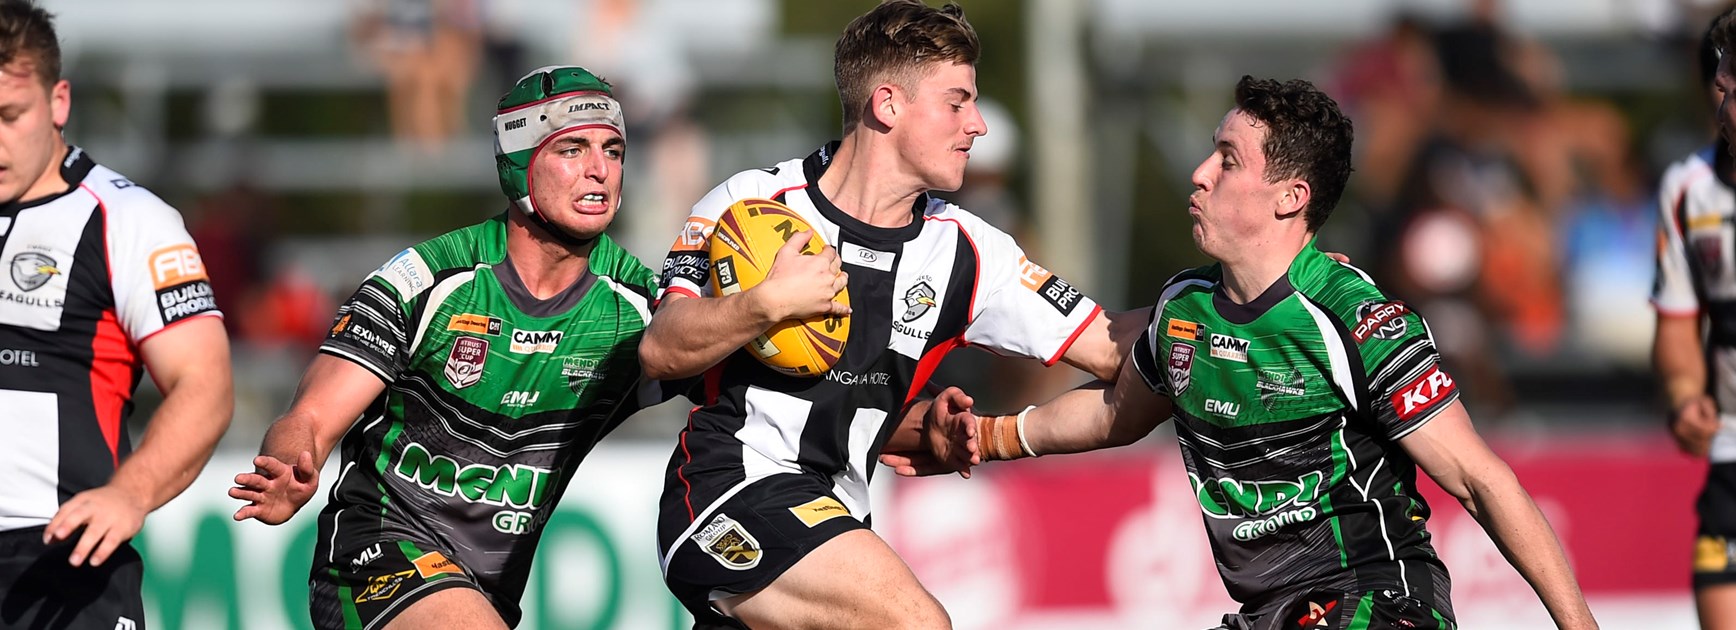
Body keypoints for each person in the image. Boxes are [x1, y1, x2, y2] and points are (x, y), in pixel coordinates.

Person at [898, 76, 1599, 630]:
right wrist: (987, 436)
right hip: (1269, 613)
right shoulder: (1184, 309)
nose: (1200, 173)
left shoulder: (1354, 318)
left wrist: (1578, 624)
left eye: (1228, 160)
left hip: (1375, 602)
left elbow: (1481, 481)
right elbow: (1117, 412)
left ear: (1290, 198)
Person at [637, 2, 1131, 628]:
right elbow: (661, 348)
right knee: (915, 622)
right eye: (957, 102)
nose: (977, 124)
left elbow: (1116, 346)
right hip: (726, 493)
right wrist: (765, 303)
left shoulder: (970, 251)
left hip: (836, 513)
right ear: (888, 105)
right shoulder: (753, 203)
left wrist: (1223, 308)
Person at [228, 67, 675, 629]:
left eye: (613, 151)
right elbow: (310, 417)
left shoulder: (638, 309)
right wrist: (290, 464)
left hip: (490, 592)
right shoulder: (428, 280)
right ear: (520, 164)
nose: (600, 170)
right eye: (572, 149)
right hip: (374, 559)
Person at [0, 2, 234, 628]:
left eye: (10, 116)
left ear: (58, 102)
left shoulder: (129, 221)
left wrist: (130, 493)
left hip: (58, 559)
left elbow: (205, 384)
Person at [1661, 10, 1736, 629]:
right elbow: (1679, 326)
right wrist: (1687, 396)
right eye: (1719, 89)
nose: (1723, 109)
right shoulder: (1689, 188)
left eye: (1733, 92)